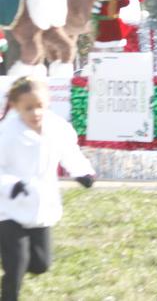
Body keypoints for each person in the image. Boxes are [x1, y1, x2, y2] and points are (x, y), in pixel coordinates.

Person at [0, 77, 95, 300]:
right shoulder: (6, 133)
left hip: (40, 206)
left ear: (48, 102)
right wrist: (11, 185)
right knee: (17, 263)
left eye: (39, 106)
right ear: (15, 107)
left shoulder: (57, 127)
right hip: (7, 208)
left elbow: (70, 152)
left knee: (40, 265)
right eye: (28, 108)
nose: (35, 113)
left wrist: (82, 172)